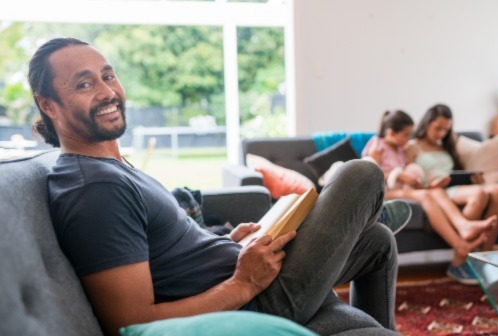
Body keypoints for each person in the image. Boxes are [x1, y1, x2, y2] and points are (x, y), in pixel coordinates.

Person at [29, 37, 402, 335]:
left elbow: (169, 255)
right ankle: (372, 208)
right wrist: (242, 284)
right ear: (49, 104)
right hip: (257, 302)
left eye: (108, 76)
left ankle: (371, 229)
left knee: (376, 242)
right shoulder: (93, 188)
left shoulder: (109, 167)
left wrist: (226, 242)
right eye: (84, 84)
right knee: (360, 175)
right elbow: (130, 322)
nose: (107, 92)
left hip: (246, 278)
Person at [363, 110, 496, 285]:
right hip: (384, 191)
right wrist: (398, 175)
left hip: (404, 188)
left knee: (435, 192)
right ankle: (460, 244)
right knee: (426, 196)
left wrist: (427, 184)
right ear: (390, 132)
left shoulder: (402, 150)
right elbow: (369, 172)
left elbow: (412, 175)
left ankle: (464, 226)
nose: (408, 139)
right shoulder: (377, 145)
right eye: (405, 135)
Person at [408, 104, 498, 279]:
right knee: (479, 194)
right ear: (426, 123)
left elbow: (456, 170)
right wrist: (430, 185)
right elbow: (408, 180)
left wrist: (471, 178)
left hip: (454, 186)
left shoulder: (447, 144)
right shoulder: (412, 147)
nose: (441, 133)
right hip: (435, 191)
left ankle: (484, 259)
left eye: (446, 129)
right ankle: (459, 261)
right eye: (437, 128)